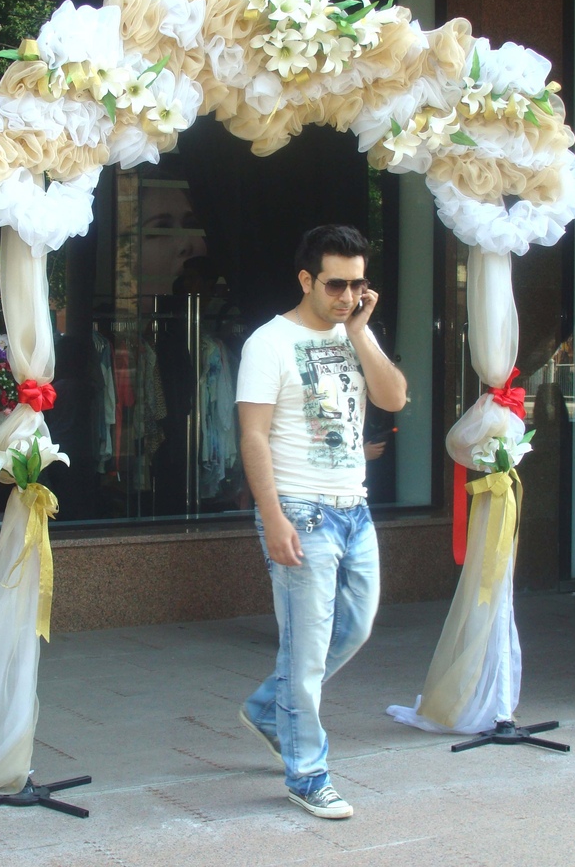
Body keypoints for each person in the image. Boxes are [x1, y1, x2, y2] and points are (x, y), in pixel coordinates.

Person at [236, 224, 407, 820]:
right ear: (306, 279)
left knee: (354, 627)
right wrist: (272, 516)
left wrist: (359, 332)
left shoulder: (354, 331)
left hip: (354, 507)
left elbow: (394, 398)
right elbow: (253, 436)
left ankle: (268, 708)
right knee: (305, 653)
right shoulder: (269, 343)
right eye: (336, 285)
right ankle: (307, 774)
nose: (348, 296)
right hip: (300, 510)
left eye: (358, 285)